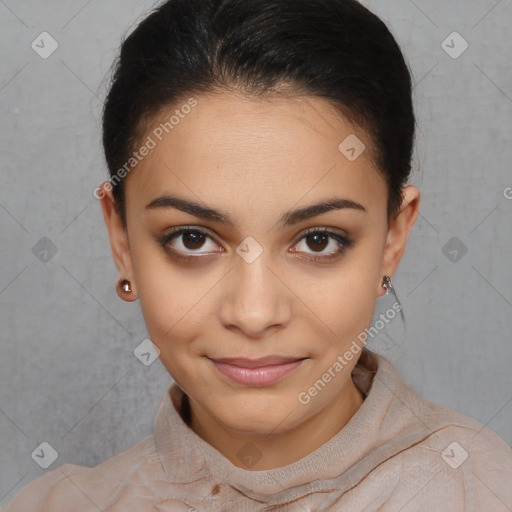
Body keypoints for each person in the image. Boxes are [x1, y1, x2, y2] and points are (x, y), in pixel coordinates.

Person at [3, 0, 510, 510]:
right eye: (193, 239)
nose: (253, 313)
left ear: (392, 239)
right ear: (122, 240)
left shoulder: (483, 491)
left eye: (318, 240)